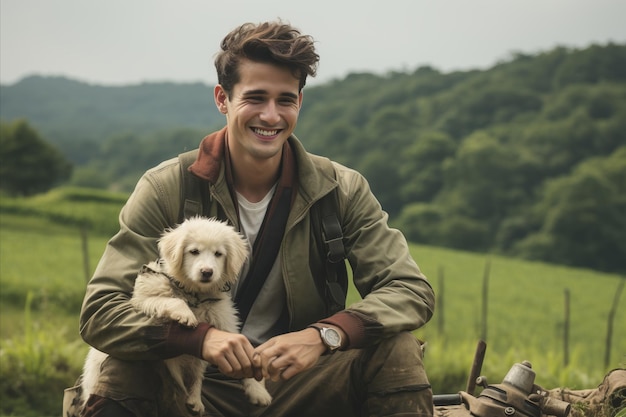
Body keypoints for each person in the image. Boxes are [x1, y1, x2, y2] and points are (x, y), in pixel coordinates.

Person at [75, 20, 435, 417]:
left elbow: (410, 290)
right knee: (123, 362)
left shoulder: (341, 190)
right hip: (192, 384)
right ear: (222, 99)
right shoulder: (167, 187)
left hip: (299, 381)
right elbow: (101, 311)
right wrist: (198, 339)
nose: (271, 115)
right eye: (255, 97)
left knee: (396, 348)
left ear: (300, 102)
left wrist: (324, 335)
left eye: (286, 99)